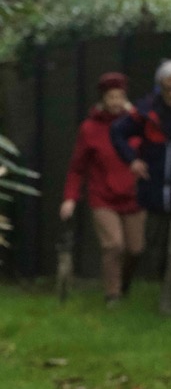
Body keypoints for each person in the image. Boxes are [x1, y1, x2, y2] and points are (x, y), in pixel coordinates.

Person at [111, 59, 171, 316]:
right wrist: (132, 160)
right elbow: (117, 132)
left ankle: (167, 306)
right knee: (156, 251)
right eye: (167, 88)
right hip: (153, 192)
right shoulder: (145, 111)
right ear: (159, 86)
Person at [59, 71, 145, 306]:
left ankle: (124, 284)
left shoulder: (137, 124)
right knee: (113, 245)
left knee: (135, 249)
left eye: (119, 96)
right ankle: (112, 294)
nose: (115, 102)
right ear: (103, 99)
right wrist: (70, 198)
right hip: (102, 197)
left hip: (134, 196)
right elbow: (77, 168)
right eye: (111, 97)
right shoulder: (89, 128)